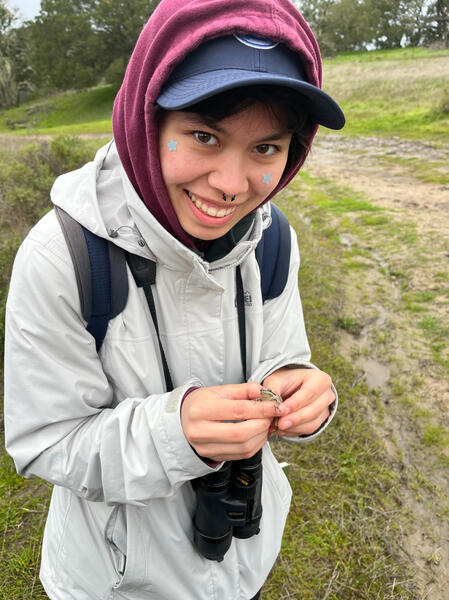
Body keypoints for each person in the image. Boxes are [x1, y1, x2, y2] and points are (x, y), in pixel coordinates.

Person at [4, 0, 345, 598]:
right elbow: (45, 442)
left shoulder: (273, 239)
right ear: (146, 119)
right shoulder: (62, 256)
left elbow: (283, 354)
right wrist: (174, 433)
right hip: (114, 582)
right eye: (204, 136)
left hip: (245, 563)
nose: (232, 185)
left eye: (266, 148)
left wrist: (302, 386)